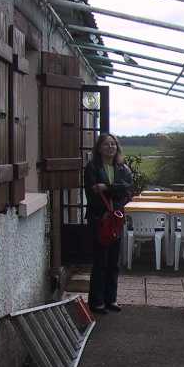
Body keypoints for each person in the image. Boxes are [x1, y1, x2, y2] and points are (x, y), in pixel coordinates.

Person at [84, 133, 133, 315]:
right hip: (99, 219)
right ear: (99, 148)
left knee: (114, 261)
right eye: (106, 144)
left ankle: (111, 299)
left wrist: (107, 188)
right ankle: (96, 302)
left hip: (116, 220)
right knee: (100, 262)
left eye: (113, 144)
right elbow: (92, 194)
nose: (110, 147)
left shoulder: (123, 168)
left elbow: (128, 190)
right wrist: (113, 192)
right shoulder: (92, 168)